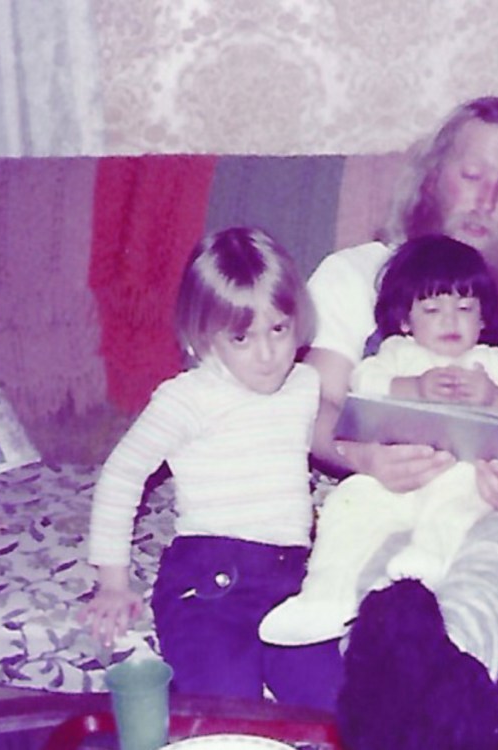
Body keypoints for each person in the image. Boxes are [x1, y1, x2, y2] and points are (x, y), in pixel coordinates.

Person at [305, 96, 498, 749]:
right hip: (385, 492)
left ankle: (429, 725)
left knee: (491, 555)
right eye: (473, 175)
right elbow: (309, 408)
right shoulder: (350, 276)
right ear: (432, 174)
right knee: (380, 568)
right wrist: (362, 458)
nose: (487, 200)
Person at [80, 227, 340, 707]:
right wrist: (112, 582)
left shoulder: (303, 386)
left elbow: (337, 443)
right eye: (242, 337)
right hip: (210, 585)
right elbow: (121, 475)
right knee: (225, 707)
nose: (267, 354)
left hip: (290, 580)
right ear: (204, 336)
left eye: (278, 329)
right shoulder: (188, 397)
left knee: (333, 703)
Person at [260, 234, 498, 646]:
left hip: (461, 473)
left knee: (457, 504)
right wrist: (414, 387)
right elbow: (363, 386)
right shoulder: (396, 353)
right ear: (406, 320)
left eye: (465, 308)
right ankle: (324, 597)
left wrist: (493, 396)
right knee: (347, 507)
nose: (450, 320)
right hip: (393, 474)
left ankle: (427, 563)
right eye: (432, 309)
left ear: (483, 320)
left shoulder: (491, 363)